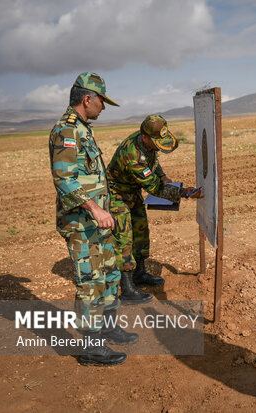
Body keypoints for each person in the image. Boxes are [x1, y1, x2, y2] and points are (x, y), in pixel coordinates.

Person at [48, 72, 137, 366]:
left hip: (99, 222)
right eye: (101, 100)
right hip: (82, 223)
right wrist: (94, 208)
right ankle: (92, 347)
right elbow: (65, 179)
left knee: (110, 274)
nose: (104, 106)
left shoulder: (83, 129)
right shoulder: (66, 131)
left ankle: (109, 327)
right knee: (90, 282)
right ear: (87, 99)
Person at [107, 114, 202, 302]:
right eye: (155, 142)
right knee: (124, 239)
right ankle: (126, 289)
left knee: (141, 231)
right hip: (117, 195)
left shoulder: (147, 140)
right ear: (144, 137)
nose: (158, 145)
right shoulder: (132, 155)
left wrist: (164, 176)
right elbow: (154, 188)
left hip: (132, 191)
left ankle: (139, 274)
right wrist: (183, 192)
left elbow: (153, 160)